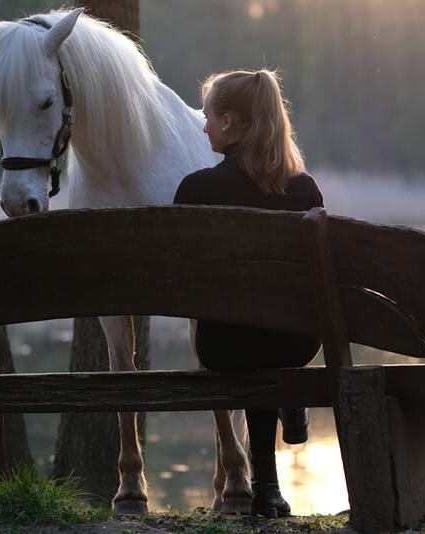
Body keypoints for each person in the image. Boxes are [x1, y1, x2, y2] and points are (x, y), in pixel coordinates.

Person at [173, 69, 323, 518]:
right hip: (297, 343)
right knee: (270, 341)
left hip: (223, 348)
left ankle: (268, 486)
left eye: (208, 117)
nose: (203, 127)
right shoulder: (304, 190)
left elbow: (179, 281)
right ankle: (270, 481)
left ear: (229, 122)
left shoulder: (196, 190)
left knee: (246, 338)